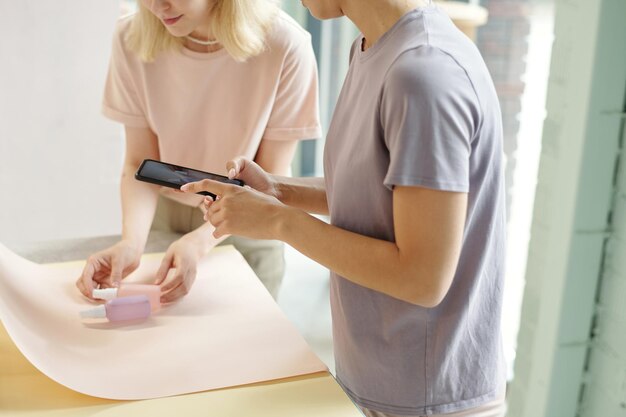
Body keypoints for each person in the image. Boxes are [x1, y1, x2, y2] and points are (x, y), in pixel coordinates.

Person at [180, 0, 507, 415]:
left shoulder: (424, 75)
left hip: (428, 398)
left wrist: (279, 222)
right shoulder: (374, 48)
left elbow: (423, 278)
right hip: (382, 380)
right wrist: (278, 190)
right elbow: (376, 193)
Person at [75, 0, 321, 302]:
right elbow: (140, 163)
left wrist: (200, 242)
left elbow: (270, 179)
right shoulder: (133, 37)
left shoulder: (285, 45)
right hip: (165, 215)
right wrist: (132, 242)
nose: (156, 6)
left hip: (252, 221)